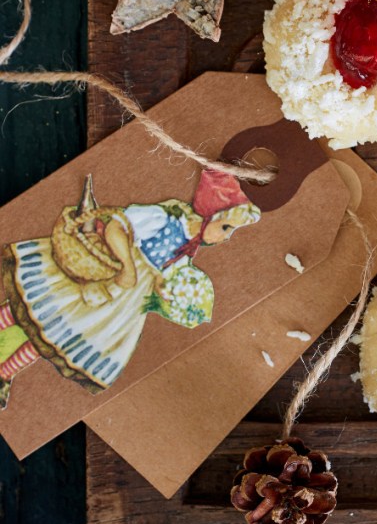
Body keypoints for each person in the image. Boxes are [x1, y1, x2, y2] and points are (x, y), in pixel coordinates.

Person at [0, 168, 261, 409]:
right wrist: (127, 265)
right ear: (208, 214)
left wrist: (162, 288)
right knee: (34, 308)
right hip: (109, 273)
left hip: (126, 300)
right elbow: (116, 225)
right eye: (226, 227)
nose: (226, 237)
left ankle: (4, 373)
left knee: (54, 337)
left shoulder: (189, 245)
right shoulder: (164, 218)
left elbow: (165, 267)